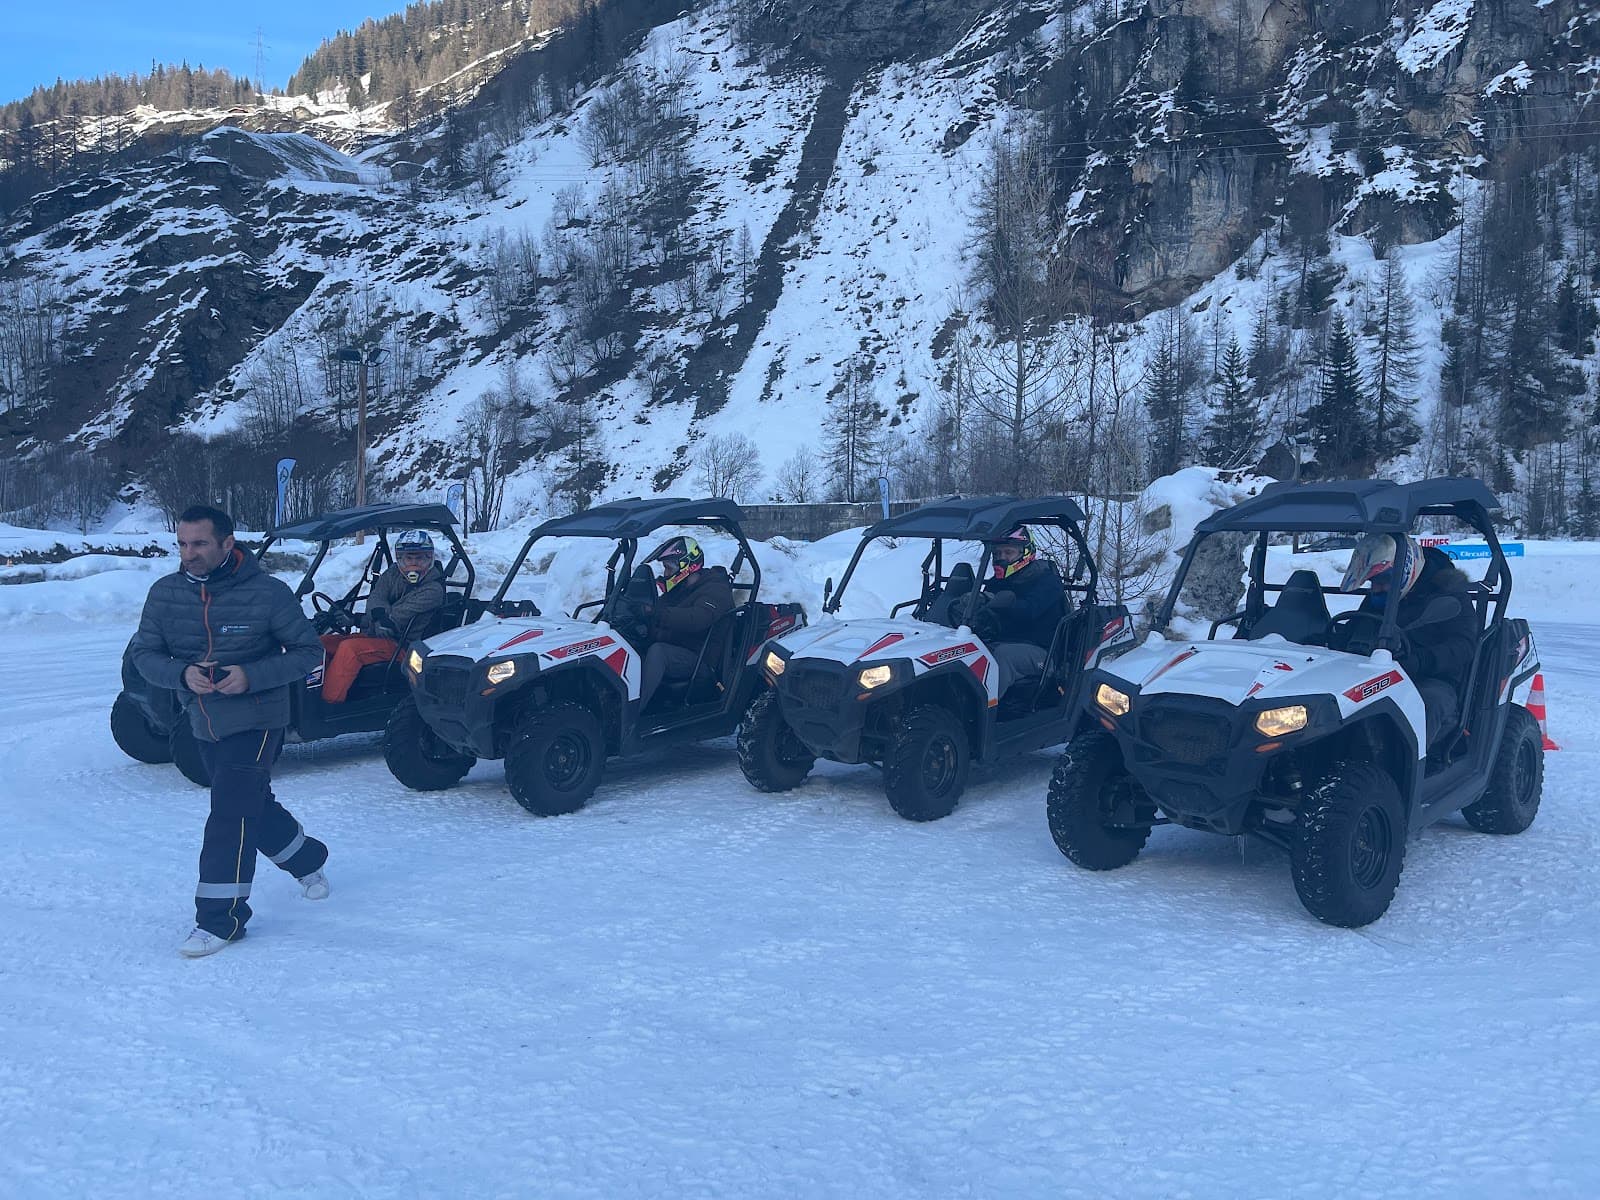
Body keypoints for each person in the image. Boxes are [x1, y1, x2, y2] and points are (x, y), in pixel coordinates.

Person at [130, 504, 331, 958]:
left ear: (227, 543)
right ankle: (308, 861)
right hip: (202, 718)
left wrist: (250, 675)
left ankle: (221, 919)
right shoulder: (164, 594)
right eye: (182, 544)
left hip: (260, 718)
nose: (189, 553)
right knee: (252, 803)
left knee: (229, 813)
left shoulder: (268, 593)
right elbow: (144, 655)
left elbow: (308, 652)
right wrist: (182, 674)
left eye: (200, 544)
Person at [1340, 532, 1478, 749]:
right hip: (1380, 671)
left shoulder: (1449, 595)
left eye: (1382, 581)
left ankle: (1404, 775)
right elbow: (1358, 627)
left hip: (1433, 678)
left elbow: (1463, 646)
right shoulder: (1382, 596)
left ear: (1405, 572)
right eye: (1371, 582)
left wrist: (1420, 660)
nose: (1376, 588)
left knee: (1422, 705)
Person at [320, 528, 445, 703]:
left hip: (405, 646)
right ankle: (307, 694)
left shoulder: (433, 590)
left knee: (350, 649)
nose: (414, 564)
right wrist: (362, 618)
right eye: (409, 558)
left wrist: (373, 618)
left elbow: (397, 615)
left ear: (429, 559)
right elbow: (376, 597)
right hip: (379, 634)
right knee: (322, 643)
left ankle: (329, 703)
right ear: (400, 559)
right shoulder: (393, 573)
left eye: (419, 558)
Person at [633, 536, 735, 712]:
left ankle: (632, 714)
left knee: (658, 652)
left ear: (685, 566)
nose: (665, 573)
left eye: (668, 568)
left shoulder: (716, 589)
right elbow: (658, 610)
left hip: (700, 662)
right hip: (678, 650)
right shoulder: (680, 589)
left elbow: (697, 619)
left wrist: (655, 612)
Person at [979, 525, 1066, 701]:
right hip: (1002, 641)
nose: (1001, 558)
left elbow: (1028, 610)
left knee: (1001, 658)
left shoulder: (1046, 581)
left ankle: (981, 717)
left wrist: (1002, 603)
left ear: (1025, 553)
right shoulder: (997, 583)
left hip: (1042, 652)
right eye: (997, 554)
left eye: (1008, 552)